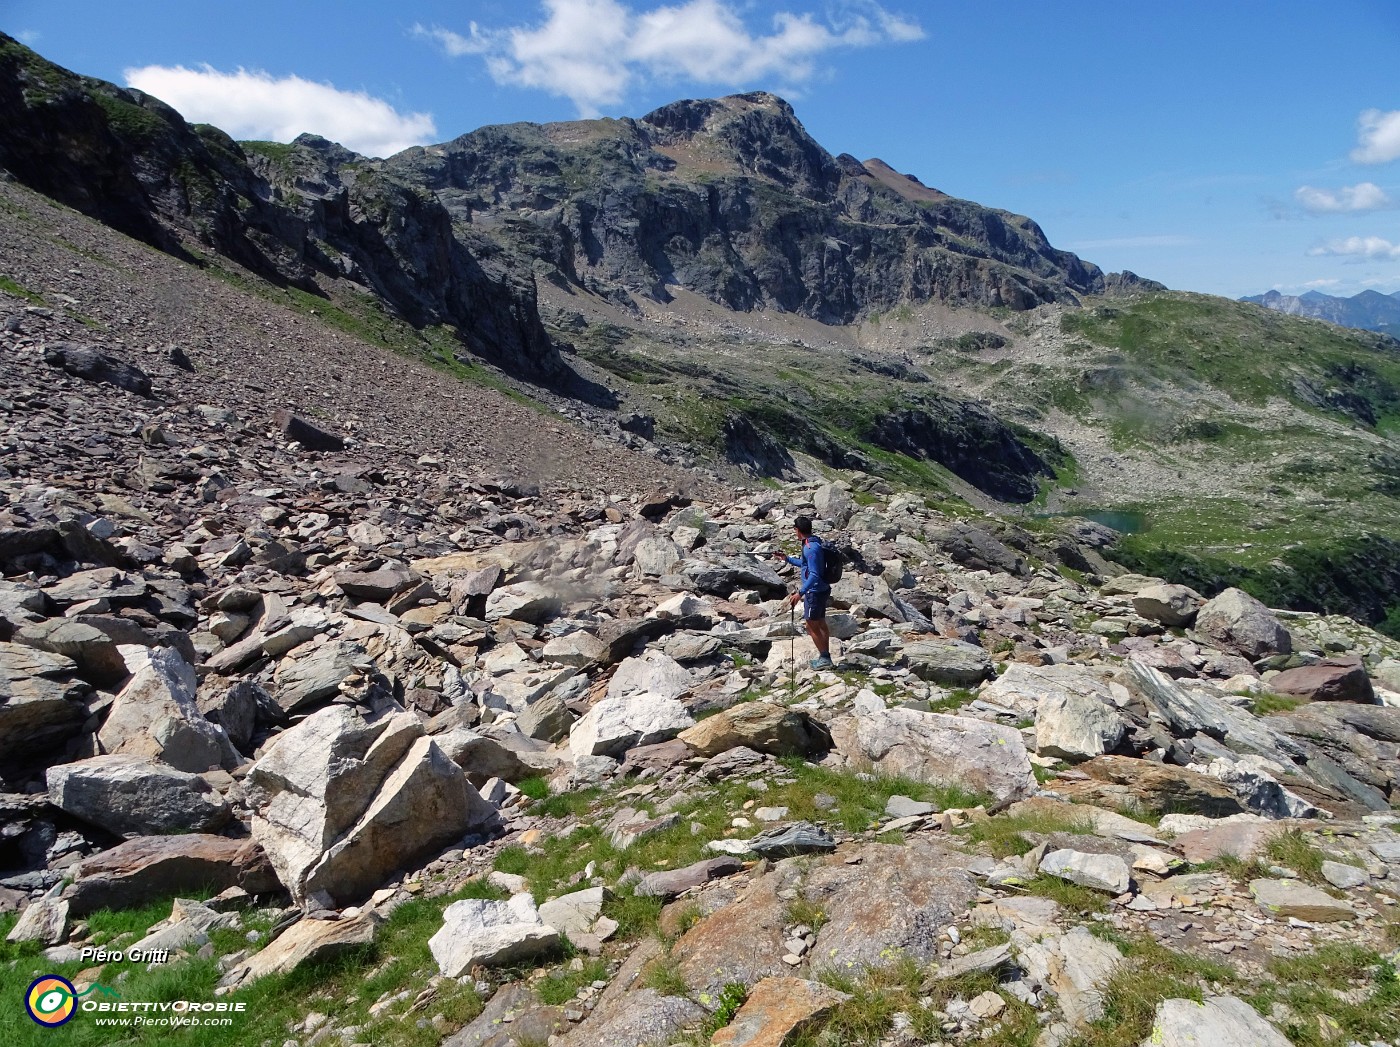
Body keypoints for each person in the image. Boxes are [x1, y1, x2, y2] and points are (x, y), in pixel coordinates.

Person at [771, 515, 833, 669]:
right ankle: (825, 656)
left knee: (811, 625)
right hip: (821, 589)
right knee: (820, 622)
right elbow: (805, 564)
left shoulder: (810, 548)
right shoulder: (813, 542)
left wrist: (801, 593)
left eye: (794, 529)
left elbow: (814, 574)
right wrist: (787, 559)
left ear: (797, 530)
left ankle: (825, 658)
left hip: (815, 591)